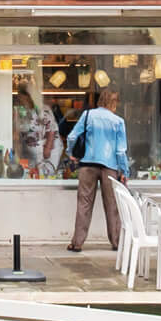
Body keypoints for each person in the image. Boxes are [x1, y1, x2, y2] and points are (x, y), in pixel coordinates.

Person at [65, 88, 130, 252]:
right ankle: (116, 242)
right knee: (112, 204)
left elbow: (72, 136)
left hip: (87, 164)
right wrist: (125, 172)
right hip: (110, 166)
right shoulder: (118, 121)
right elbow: (120, 151)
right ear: (114, 103)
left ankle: (77, 242)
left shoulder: (88, 116)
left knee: (84, 203)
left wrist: (71, 152)